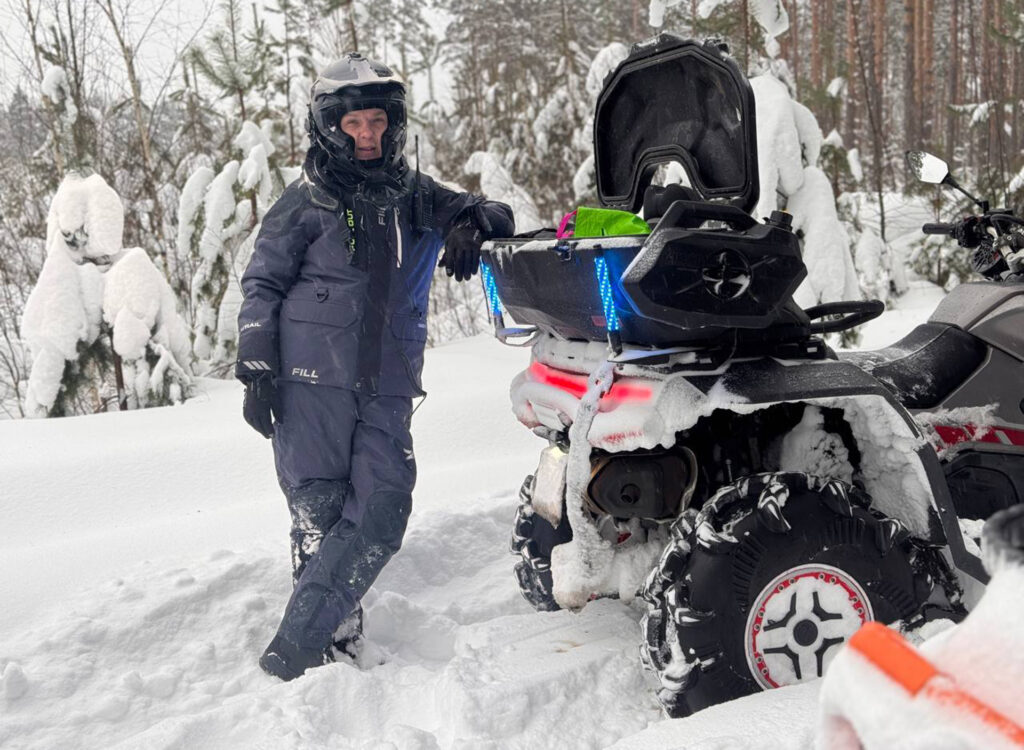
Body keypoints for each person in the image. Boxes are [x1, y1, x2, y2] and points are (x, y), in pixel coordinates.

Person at [235, 52, 515, 681]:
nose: (369, 135)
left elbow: (494, 213)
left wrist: (473, 223)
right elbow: (261, 285)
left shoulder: (412, 194)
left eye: (379, 122)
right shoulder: (304, 202)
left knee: (383, 511)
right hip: (310, 386)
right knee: (323, 517)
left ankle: (294, 651)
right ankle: (328, 648)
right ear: (328, 126)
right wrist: (255, 367)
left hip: (387, 384)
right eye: (354, 123)